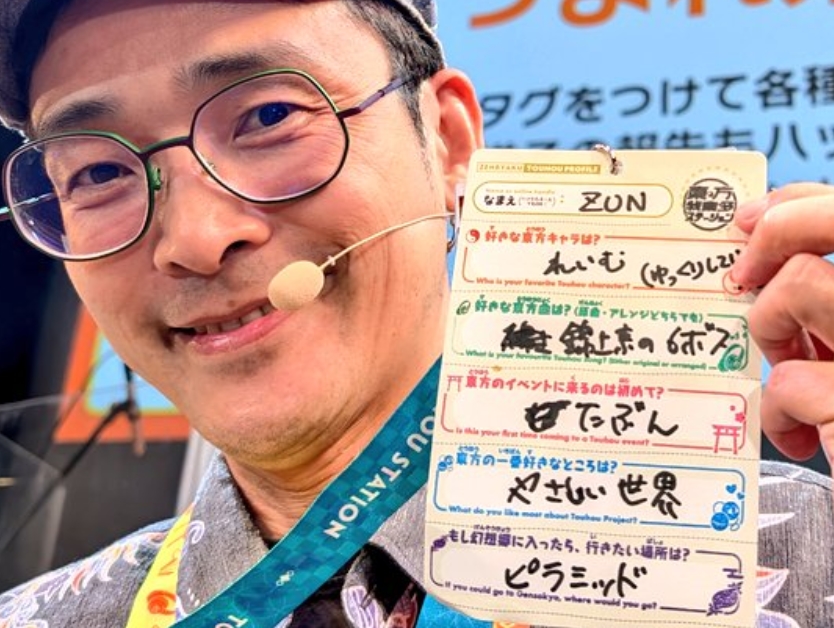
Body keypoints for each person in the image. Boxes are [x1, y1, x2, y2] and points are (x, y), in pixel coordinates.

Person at [0, 1, 830, 626]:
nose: (195, 239)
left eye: (269, 117)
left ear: (449, 142)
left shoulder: (804, 553)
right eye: (96, 173)